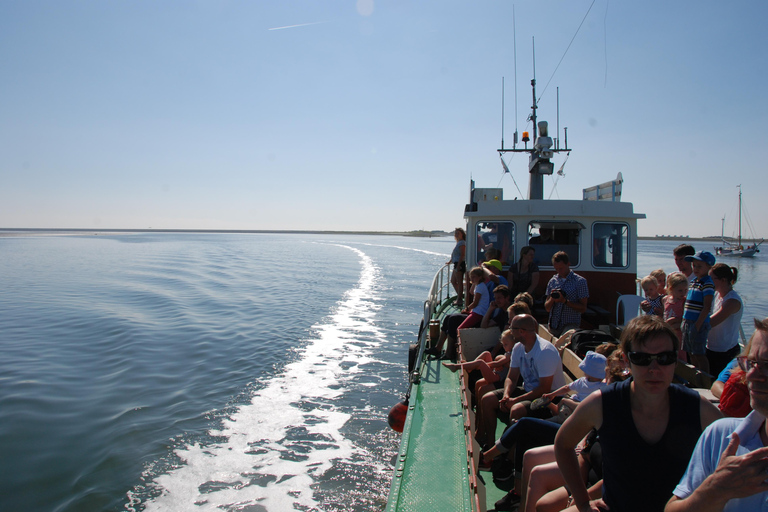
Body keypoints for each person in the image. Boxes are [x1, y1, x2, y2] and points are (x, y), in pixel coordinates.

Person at [554, 315, 722, 512]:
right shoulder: (603, 403)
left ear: (675, 361)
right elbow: (563, 444)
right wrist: (583, 502)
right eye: (641, 359)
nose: (654, 369)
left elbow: (735, 450)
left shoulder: (696, 408)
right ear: (627, 361)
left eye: (665, 358)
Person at [666, 319, 768, 512]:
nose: (752, 376)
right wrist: (715, 491)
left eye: (767, 366)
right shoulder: (721, 436)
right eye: (752, 363)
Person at [476, 314, 566, 447]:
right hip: (530, 391)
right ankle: (489, 445)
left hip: (549, 398)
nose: (509, 330)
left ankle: (509, 454)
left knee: (517, 409)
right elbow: (512, 377)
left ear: (521, 332)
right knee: (487, 399)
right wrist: (506, 395)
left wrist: (515, 400)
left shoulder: (545, 352)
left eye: (512, 328)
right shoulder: (518, 348)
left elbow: (544, 389)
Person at [682, 251, 716, 374]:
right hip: (688, 321)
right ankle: (695, 375)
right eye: (694, 265)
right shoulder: (694, 282)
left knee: (699, 353)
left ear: (708, 267)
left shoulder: (707, 283)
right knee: (690, 352)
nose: (695, 269)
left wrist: (697, 325)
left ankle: (705, 377)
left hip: (698, 322)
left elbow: (707, 307)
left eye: (699, 266)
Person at [706, 263, 743, 377]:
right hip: (712, 348)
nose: (709, 282)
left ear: (723, 280)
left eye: (711, 279)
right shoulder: (717, 294)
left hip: (725, 352)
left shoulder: (732, 301)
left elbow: (711, 322)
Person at [544, 251, 589, 337]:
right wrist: (552, 299)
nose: (559, 271)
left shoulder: (580, 282)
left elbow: (583, 308)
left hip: (570, 324)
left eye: (561, 268)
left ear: (568, 264)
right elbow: (547, 308)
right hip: (554, 325)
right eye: (556, 269)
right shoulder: (553, 281)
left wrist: (565, 301)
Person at [664, 272, 689, 358]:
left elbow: (686, 319)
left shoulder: (683, 302)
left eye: (685, 290)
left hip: (679, 333)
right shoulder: (665, 300)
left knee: (680, 354)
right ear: (671, 289)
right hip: (668, 332)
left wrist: (675, 321)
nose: (683, 293)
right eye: (680, 290)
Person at [447, 228, 466, 307]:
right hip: (456, 263)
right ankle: (460, 296)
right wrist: (450, 261)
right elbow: (455, 254)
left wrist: (458, 265)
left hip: (459, 264)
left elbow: (462, 255)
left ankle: (459, 299)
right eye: (456, 233)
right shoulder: (458, 242)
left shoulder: (462, 243)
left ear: (462, 234)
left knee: (459, 282)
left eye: (458, 233)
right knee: (453, 281)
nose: (457, 234)